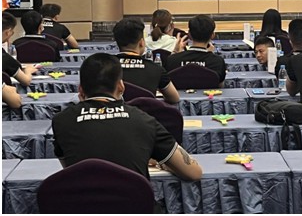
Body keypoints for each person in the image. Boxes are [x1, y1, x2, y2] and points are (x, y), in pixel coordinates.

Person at [52, 53, 202, 182]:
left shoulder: (61, 122)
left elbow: (71, 168)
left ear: (80, 89)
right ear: (121, 86)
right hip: (136, 203)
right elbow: (193, 172)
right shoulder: (144, 120)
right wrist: (161, 162)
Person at [112, 17, 179, 103]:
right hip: (147, 111)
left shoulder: (104, 67)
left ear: (117, 43)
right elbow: (174, 98)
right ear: (141, 42)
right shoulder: (156, 69)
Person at [166, 14, 226, 86]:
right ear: (212, 35)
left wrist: (175, 53)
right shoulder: (217, 62)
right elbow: (220, 86)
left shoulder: (172, 60)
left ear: (189, 35)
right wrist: (210, 56)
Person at [2, 12, 37, 87]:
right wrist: (28, 70)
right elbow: (26, 81)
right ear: (8, 32)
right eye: (12, 32)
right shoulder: (4, 57)